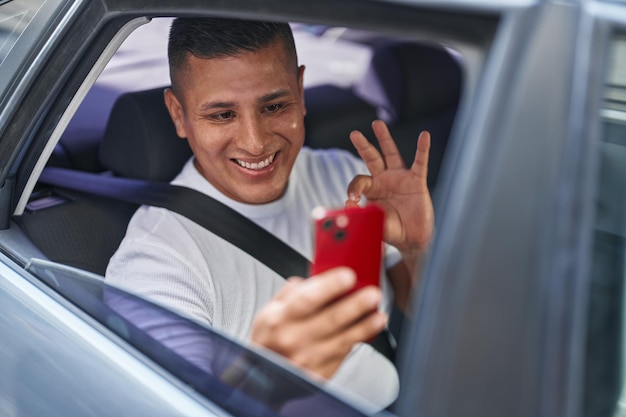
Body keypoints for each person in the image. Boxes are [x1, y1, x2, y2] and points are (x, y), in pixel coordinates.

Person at [105, 17, 434, 409]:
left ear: (300, 90)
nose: (255, 142)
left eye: (275, 106)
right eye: (222, 115)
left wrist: (416, 248)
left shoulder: (345, 176)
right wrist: (262, 378)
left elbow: (418, 308)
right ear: (179, 115)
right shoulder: (157, 258)